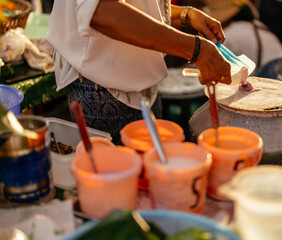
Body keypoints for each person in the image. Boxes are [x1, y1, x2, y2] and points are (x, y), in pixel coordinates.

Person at [46, 0, 232, 145]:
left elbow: (138, 6)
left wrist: (185, 15)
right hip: (103, 87)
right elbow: (101, 11)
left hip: (144, 80)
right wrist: (195, 49)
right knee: (118, 185)